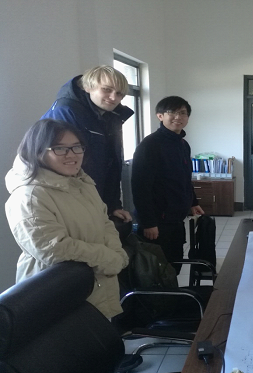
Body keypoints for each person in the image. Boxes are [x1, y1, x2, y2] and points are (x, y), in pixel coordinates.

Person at [5, 119, 129, 319]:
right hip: (57, 292)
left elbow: (104, 222)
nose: (71, 155)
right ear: (37, 152)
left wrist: (116, 253)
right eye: (60, 148)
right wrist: (108, 258)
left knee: (99, 334)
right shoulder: (29, 196)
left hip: (97, 283)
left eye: (76, 147)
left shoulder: (82, 182)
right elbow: (53, 249)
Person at [41, 65, 134, 222]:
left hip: (96, 203)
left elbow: (111, 165)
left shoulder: (111, 116)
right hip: (71, 205)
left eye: (119, 93)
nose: (113, 98)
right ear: (87, 87)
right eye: (106, 89)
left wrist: (112, 206)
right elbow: (63, 169)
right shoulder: (65, 112)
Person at [131, 96, 204, 274]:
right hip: (157, 222)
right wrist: (148, 223)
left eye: (183, 113)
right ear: (160, 116)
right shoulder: (150, 145)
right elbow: (140, 187)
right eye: (172, 112)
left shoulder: (183, 144)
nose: (178, 117)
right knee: (157, 272)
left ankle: (172, 291)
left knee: (174, 265)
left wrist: (193, 202)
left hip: (176, 219)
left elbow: (184, 178)